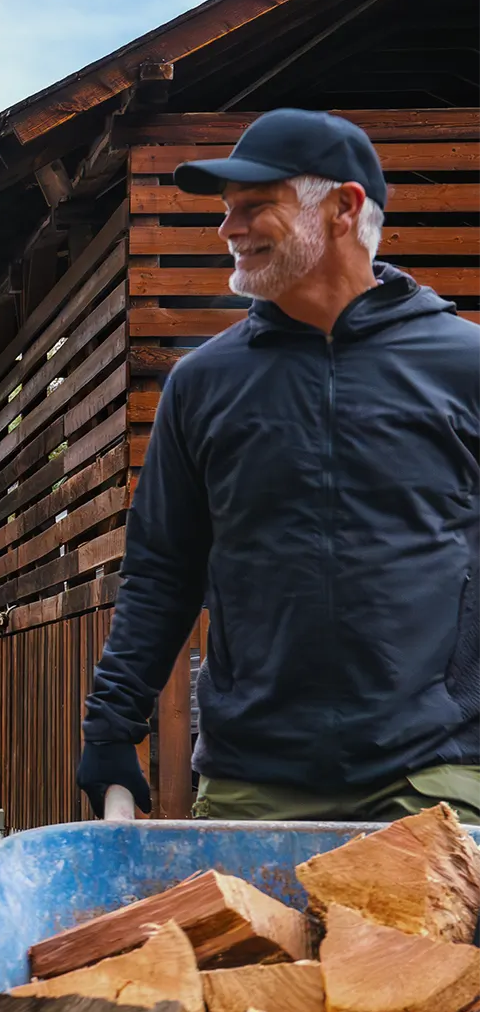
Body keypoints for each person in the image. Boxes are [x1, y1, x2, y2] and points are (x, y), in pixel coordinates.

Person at [80, 108, 480, 825]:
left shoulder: (464, 368)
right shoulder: (204, 383)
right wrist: (112, 729)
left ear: (342, 208)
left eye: (255, 206)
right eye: (227, 210)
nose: (229, 229)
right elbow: (162, 571)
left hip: (436, 771)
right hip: (252, 775)